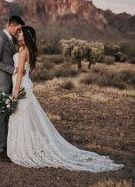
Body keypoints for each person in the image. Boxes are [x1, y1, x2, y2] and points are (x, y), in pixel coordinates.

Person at [7, 25, 124, 172]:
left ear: (27, 36)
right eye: (18, 32)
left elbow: (20, 74)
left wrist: (16, 91)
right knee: (23, 116)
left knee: (22, 116)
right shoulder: (27, 50)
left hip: (21, 85)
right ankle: (24, 145)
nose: (18, 34)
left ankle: (23, 149)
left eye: (21, 33)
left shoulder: (24, 51)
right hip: (25, 83)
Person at [0, 15, 25, 161]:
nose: (18, 32)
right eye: (18, 29)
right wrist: (14, 70)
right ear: (11, 25)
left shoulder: (10, 39)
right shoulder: (0, 38)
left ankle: (4, 146)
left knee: (6, 115)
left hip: (9, 82)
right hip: (1, 82)